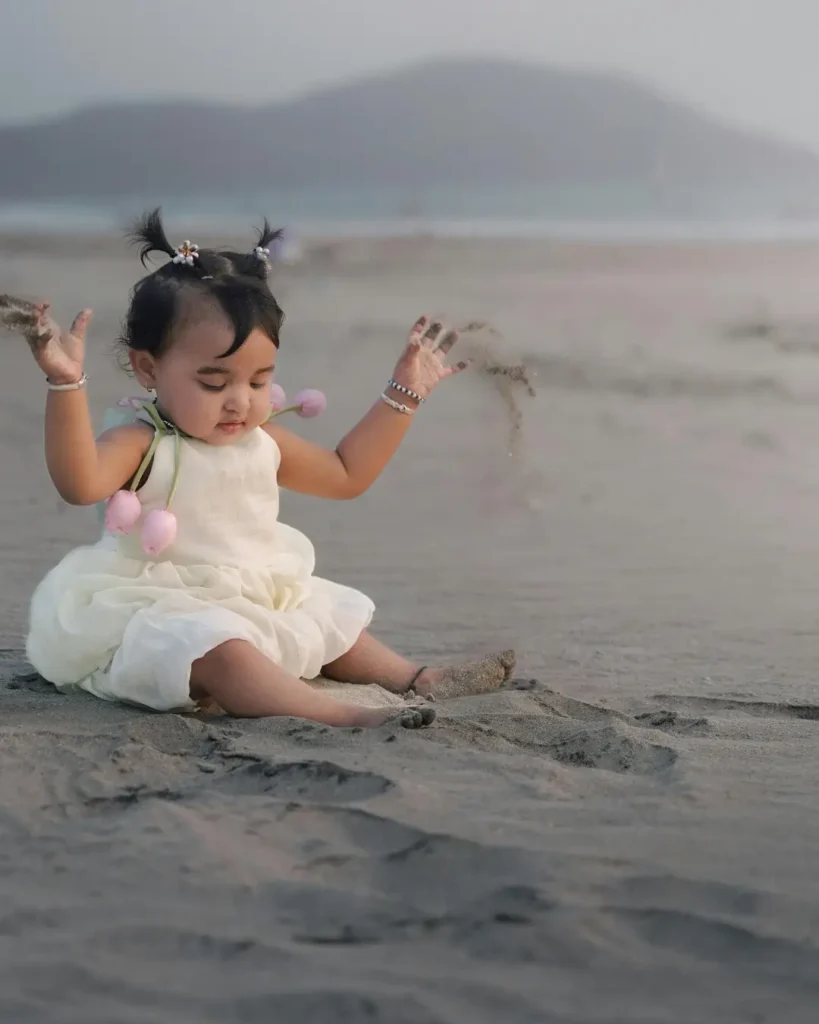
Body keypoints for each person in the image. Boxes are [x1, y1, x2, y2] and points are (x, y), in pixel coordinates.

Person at [2, 209, 516, 729]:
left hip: (250, 594)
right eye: (213, 382)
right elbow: (78, 483)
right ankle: (341, 715)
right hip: (159, 608)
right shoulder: (141, 441)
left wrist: (403, 395)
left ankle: (416, 678)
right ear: (148, 368)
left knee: (327, 622)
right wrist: (66, 384)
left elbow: (345, 474)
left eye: (257, 381)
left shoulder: (261, 439)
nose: (238, 403)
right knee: (226, 653)